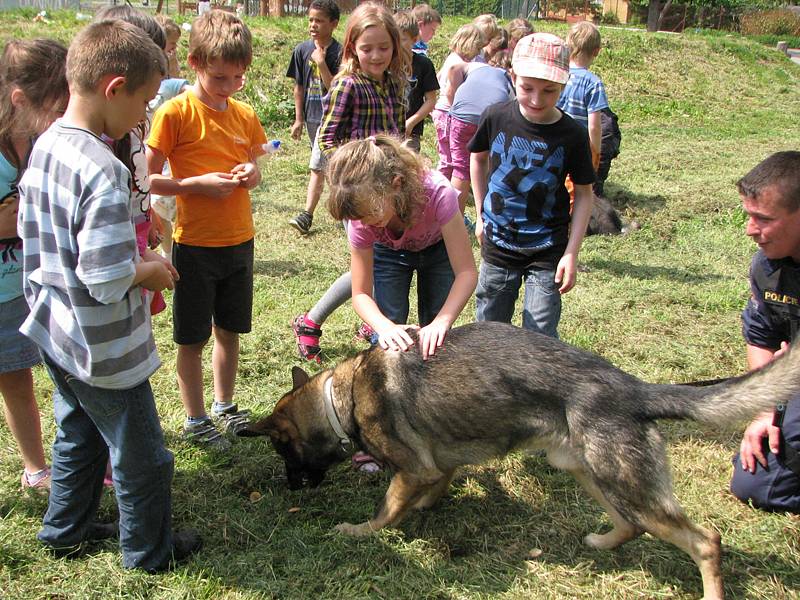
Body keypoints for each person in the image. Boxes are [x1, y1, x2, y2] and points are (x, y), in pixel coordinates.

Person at [18, 19, 199, 571]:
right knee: (144, 456)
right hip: (102, 346)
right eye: (143, 103)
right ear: (114, 88)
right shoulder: (102, 170)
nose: (144, 118)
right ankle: (148, 552)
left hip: (55, 328)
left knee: (78, 431)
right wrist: (151, 269)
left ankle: (64, 531)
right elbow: (103, 276)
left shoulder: (48, 143)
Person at [147, 10, 267, 449]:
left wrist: (251, 174)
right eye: (220, 77)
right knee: (192, 336)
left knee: (229, 329)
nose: (229, 86)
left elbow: (255, 164)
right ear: (194, 62)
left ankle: (225, 405)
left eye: (238, 78)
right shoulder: (174, 113)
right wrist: (193, 185)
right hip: (194, 244)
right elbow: (146, 178)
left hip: (240, 240)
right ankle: (195, 417)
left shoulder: (244, 114)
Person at [327, 134, 477, 472]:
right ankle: (380, 436)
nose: (365, 223)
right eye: (359, 218)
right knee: (386, 343)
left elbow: (467, 273)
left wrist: (442, 321)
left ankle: (434, 431)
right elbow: (361, 294)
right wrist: (385, 326)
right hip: (389, 254)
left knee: (436, 343)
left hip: (437, 250)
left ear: (396, 184)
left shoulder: (438, 193)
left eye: (370, 214)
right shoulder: (363, 220)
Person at [291, 1, 409, 362]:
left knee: (376, 266)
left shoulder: (394, 82)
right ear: (352, 49)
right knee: (370, 266)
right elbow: (326, 139)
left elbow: (400, 133)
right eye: (367, 48)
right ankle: (311, 321)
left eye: (384, 47)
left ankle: (371, 323)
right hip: (361, 194)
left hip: (391, 192)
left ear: (395, 47)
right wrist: (356, 173)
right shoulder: (348, 85)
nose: (376, 55)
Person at [469, 33, 595, 337]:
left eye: (549, 90)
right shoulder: (496, 117)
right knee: (488, 333)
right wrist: (481, 215)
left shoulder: (573, 134)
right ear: (513, 77)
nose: (537, 99)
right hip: (498, 245)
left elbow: (585, 194)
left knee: (540, 337)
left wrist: (571, 253)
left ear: (564, 84)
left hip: (547, 250)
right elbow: (477, 159)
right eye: (527, 88)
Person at [0, 39, 68, 494]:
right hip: (3, 289)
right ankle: (36, 467)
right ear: (20, 100)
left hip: (40, 276)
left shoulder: (44, 134)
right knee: (14, 377)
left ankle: (73, 460)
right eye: (55, 107)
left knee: (62, 370)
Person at [730, 151, 800, 514]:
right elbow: (762, 337)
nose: (750, 229)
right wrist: (763, 412)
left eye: (763, 219)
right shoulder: (768, 265)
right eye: (749, 216)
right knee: (755, 485)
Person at [286, 0, 341, 235]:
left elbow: (337, 90)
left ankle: (306, 215)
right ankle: (346, 208)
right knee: (330, 168)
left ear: (334, 23)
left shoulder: (341, 52)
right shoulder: (301, 50)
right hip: (311, 117)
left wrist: (321, 63)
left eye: (319, 20)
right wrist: (299, 119)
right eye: (311, 20)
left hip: (332, 119)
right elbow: (299, 87)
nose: (313, 25)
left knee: (317, 167)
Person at [448, 50, 514, 210]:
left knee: (460, 169)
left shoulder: (475, 67)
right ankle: (485, 214)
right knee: (490, 165)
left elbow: (453, 69)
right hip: (490, 120)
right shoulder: (508, 79)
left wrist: (455, 98)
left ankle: (454, 220)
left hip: (462, 118)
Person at [430, 24, 484, 181]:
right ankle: (439, 189)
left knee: (451, 156)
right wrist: (458, 112)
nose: (479, 51)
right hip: (448, 113)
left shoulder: (455, 59)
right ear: (469, 43)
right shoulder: (456, 62)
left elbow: (439, 79)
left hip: (446, 112)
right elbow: (450, 93)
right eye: (478, 46)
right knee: (447, 159)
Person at [556, 21, 608, 169]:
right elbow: (594, 127)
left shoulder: (557, 75)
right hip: (578, 147)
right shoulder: (593, 83)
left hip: (553, 142)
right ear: (596, 51)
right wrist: (595, 154)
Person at [394, 10, 438, 153]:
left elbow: (431, 100)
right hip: (386, 129)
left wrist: (411, 123)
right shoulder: (385, 64)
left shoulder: (424, 64)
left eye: (403, 39)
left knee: (408, 171)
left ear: (414, 39)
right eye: (394, 39)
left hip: (411, 132)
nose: (398, 44)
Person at [156, 14, 182, 79]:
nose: (175, 46)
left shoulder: (172, 58)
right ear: (161, 41)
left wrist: (173, 66)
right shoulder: (154, 62)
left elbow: (175, 80)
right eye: (173, 43)